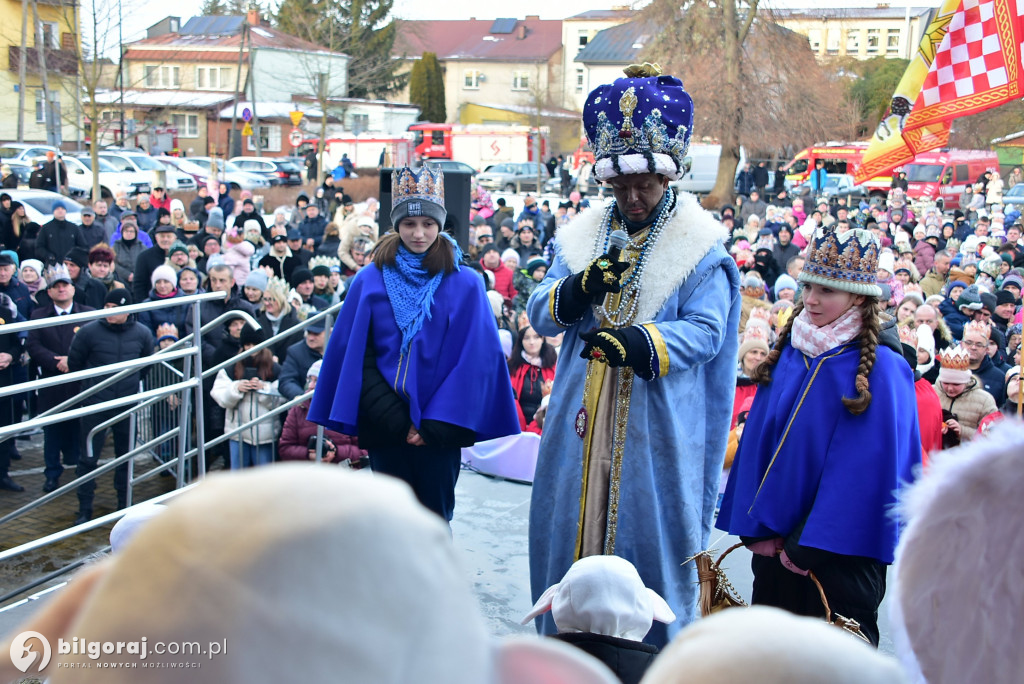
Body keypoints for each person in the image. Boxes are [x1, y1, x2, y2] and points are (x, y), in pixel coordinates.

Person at [525, 65, 741, 647]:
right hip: (578, 427)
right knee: (566, 532)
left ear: (667, 174)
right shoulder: (579, 236)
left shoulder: (699, 248)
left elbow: (708, 332)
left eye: (644, 183)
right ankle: (567, 652)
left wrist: (644, 341)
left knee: (652, 549)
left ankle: (653, 662)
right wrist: (582, 286)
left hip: (656, 434)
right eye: (620, 186)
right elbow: (541, 310)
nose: (632, 197)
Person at [717, 226, 921, 647]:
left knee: (831, 662)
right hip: (775, 550)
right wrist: (757, 530)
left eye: (827, 290)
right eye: (809, 285)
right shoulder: (793, 350)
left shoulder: (883, 368)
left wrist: (805, 546)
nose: (810, 299)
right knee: (771, 661)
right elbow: (760, 439)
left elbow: (867, 474)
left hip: (838, 557)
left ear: (858, 297)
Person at [309, 164, 519, 522]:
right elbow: (357, 356)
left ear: (440, 225)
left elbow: (474, 360)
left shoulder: (465, 282)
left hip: (440, 432)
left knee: (435, 523)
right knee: (391, 525)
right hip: (386, 426)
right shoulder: (369, 280)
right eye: (409, 224)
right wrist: (397, 420)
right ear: (396, 225)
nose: (419, 233)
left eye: (428, 224)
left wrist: (433, 426)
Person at [68, 289, 155, 523]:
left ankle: (123, 505)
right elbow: (75, 362)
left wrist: (129, 385)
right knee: (88, 458)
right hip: (96, 403)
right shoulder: (89, 331)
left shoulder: (142, 333)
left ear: (127, 310)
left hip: (126, 404)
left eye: (114, 307)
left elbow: (146, 364)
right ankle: (84, 508)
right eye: (106, 306)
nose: (108, 311)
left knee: (124, 457)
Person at [26, 265, 93, 492]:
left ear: (73, 289)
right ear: (50, 292)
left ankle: (79, 473)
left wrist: (71, 360)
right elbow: (33, 346)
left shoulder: (88, 314)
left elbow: (92, 346)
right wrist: (56, 362)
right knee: (52, 435)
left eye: (65, 285)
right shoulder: (38, 315)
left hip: (79, 386)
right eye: (57, 286)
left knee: (79, 434)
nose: (61, 289)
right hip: (52, 385)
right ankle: (52, 474)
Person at [211, 325, 281, 469]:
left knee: (264, 478)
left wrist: (264, 389)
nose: (251, 349)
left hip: (265, 436)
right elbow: (218, 394)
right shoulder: (231, 367)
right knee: (238, 477)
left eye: (255, 344)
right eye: (247, 345)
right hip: (237, 433)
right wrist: (236, 388)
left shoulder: (274, 368)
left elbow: (282, 400)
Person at [279, 359, 366, 465]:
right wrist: (308, 454)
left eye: (317, 381)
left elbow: (365, 450)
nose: (311, 385)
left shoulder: (348, 408)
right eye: (309, 380)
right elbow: (285, 448)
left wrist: (336, 452)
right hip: (308, 474)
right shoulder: (299, 407)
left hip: (344, 474)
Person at [509, 325, 557, 434]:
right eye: (526, 338)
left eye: (536, 337)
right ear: (521, 341)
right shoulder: (512, 366)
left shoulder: (553, 365)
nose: (532, 342)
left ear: (542, 339)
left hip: (544, 426)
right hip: (518, 424)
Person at [0, 293, 25, 493]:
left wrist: (10, 355)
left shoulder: (6, 312)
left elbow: (18, 342)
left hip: (3, 383)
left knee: (4, 430)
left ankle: (2, 474)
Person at [35, 200, 80, 266]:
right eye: (57, 209)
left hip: (71, 265)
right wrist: (49, 256)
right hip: (52, 265)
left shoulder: (74, 228)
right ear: (53, 211)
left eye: (62, 208)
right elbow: (39, 247)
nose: (60, 210)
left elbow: (82, 246)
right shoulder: (46, 228)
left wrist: (74, 256)